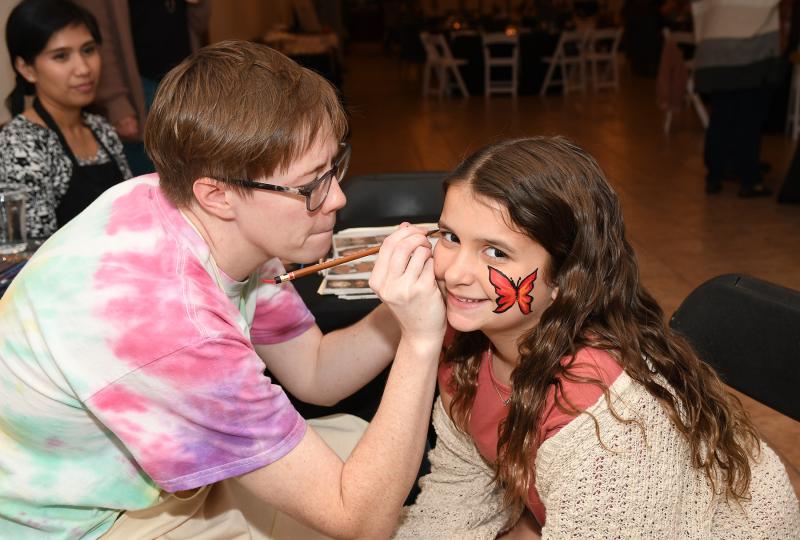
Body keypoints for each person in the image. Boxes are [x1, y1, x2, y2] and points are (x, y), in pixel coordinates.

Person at [0, 39, 445, 539]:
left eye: (334, 167)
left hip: (143, 485)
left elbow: (316, 372)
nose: (337, 196)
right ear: (218, 194)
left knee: (360, 442)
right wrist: (422, 339)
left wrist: (403, 309)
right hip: (84, 525)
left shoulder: (183, 204)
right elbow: (359, 520)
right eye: (310, 186)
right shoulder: (175, 323)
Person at [393, 137, 800, 538]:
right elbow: (456, 495)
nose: (455, 272)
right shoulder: (464, 348)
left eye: (496, 252)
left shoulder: (613, 420)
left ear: (564, 278)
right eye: (449, 237)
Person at [0, 0, 131, 239]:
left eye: (89, 50)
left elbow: (134, 215)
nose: (83, 68)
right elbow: (31, 254)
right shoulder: (21, 144)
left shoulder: (101, 129)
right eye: (61, 56)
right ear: (26, 68)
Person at [74, 0, 211, 175]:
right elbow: (100, 38)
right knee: (158, 173)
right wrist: (116, 102)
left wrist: (198, 5)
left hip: (186, 80)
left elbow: (197, 27)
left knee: (197, 166)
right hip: (140, 88)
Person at [693, 0, 784, 197]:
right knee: (749, 120)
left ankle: (715, 177)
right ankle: (749, 181)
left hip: (714, 53)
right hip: (749, 53)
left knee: (720, 118)